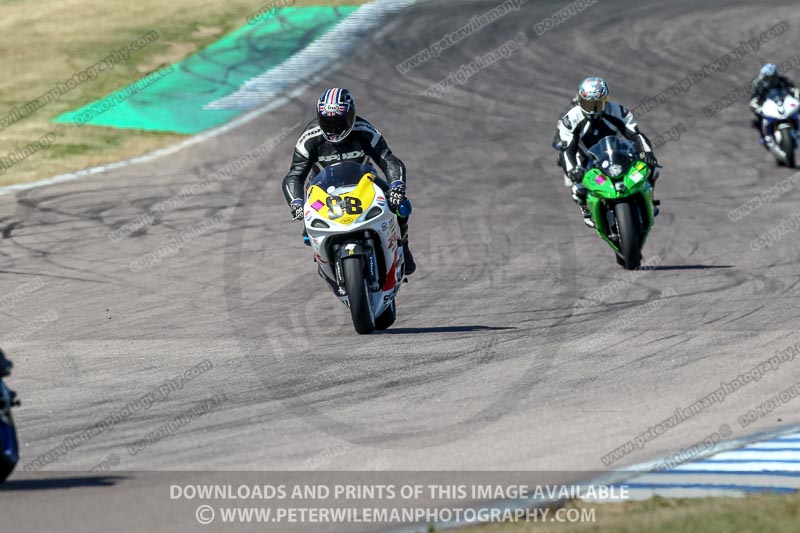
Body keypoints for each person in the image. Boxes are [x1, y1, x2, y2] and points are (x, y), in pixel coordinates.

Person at [282, 88, 415, 274]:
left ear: (351, 116)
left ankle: (404, 245)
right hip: (322, 193)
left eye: (338, 122)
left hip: (364, 184)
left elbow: (388, 159)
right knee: (307, 233)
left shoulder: (365, 131)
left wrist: (396, 185)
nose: (333, 128)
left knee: (401, 205)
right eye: (327, 122)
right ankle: (324, 260)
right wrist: (296, 202)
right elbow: (294, 175)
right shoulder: (309, 139)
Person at [556, 77, 659, 227]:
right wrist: (572, 170)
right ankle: (586, 210)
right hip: (586, 157)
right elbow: (567, 150)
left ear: (606, 100)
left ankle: (650, 200)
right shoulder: (571, 118)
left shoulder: (618, 111)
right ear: (579, 100)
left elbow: (635, 135)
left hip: (616, 151)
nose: (593, 109)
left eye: (598, 104)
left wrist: (647, 153)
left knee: (652, 168)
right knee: (577, 187)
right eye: (588, 104)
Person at [749, 63, 800, 149]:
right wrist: (756, 106)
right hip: (767, 105)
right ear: (764, 77)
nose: (772, 80)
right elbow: (754, 98)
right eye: (769, 77)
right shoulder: (758, 84)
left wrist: (797, 95)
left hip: (782, 102)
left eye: (773, 77)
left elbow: (793, 89)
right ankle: (764, 137)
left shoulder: (782, 80)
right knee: (755, 119)